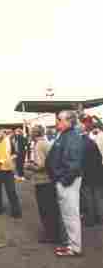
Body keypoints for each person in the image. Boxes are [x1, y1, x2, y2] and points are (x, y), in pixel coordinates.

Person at [46, 110, 84, 257]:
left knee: (70, 215)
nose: (57, 122)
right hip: (64, 180)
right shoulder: (64, 135)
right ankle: (71, 245)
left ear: (69, 121)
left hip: (67, 181)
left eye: (60, 120)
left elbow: (74, 164)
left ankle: (74, 247)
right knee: (67, 215)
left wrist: (63, 181)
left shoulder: (72, 137)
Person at [26, 125, 63, 243]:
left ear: (34, 134)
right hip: (49, 180)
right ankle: (54, 233)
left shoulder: (39, 145)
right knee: (51, 208)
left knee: (45, 209)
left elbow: (40, 165)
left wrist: (29, 165)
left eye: (31, 132)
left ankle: (51, 235)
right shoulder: (45, 142)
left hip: (43, 181)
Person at [0, 129, 22, 218]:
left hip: (7, 170)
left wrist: (7, 160)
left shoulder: (8, 141)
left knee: (11, 191)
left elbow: (15, 154)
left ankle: (16, 212)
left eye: (1, 132)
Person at [78, 121, 103, 226]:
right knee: (97, 196)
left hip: (86, 174)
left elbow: (80, 161)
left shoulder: (80, 143)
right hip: (97, 172)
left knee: (87, 196)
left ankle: (91, 219)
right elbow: (99, 157)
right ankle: (100, 218)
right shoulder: (92, 141)